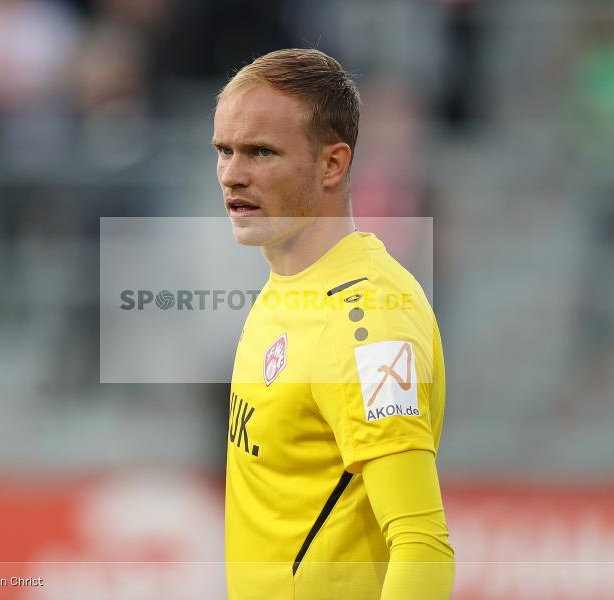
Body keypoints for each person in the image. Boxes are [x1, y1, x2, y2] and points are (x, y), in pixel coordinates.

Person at [213, 49, 454, 600]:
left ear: (332, 165)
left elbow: (422, 547)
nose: (232, 174)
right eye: (224, 150)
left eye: (261, 152)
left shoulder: (369, 323)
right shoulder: (290, 281)